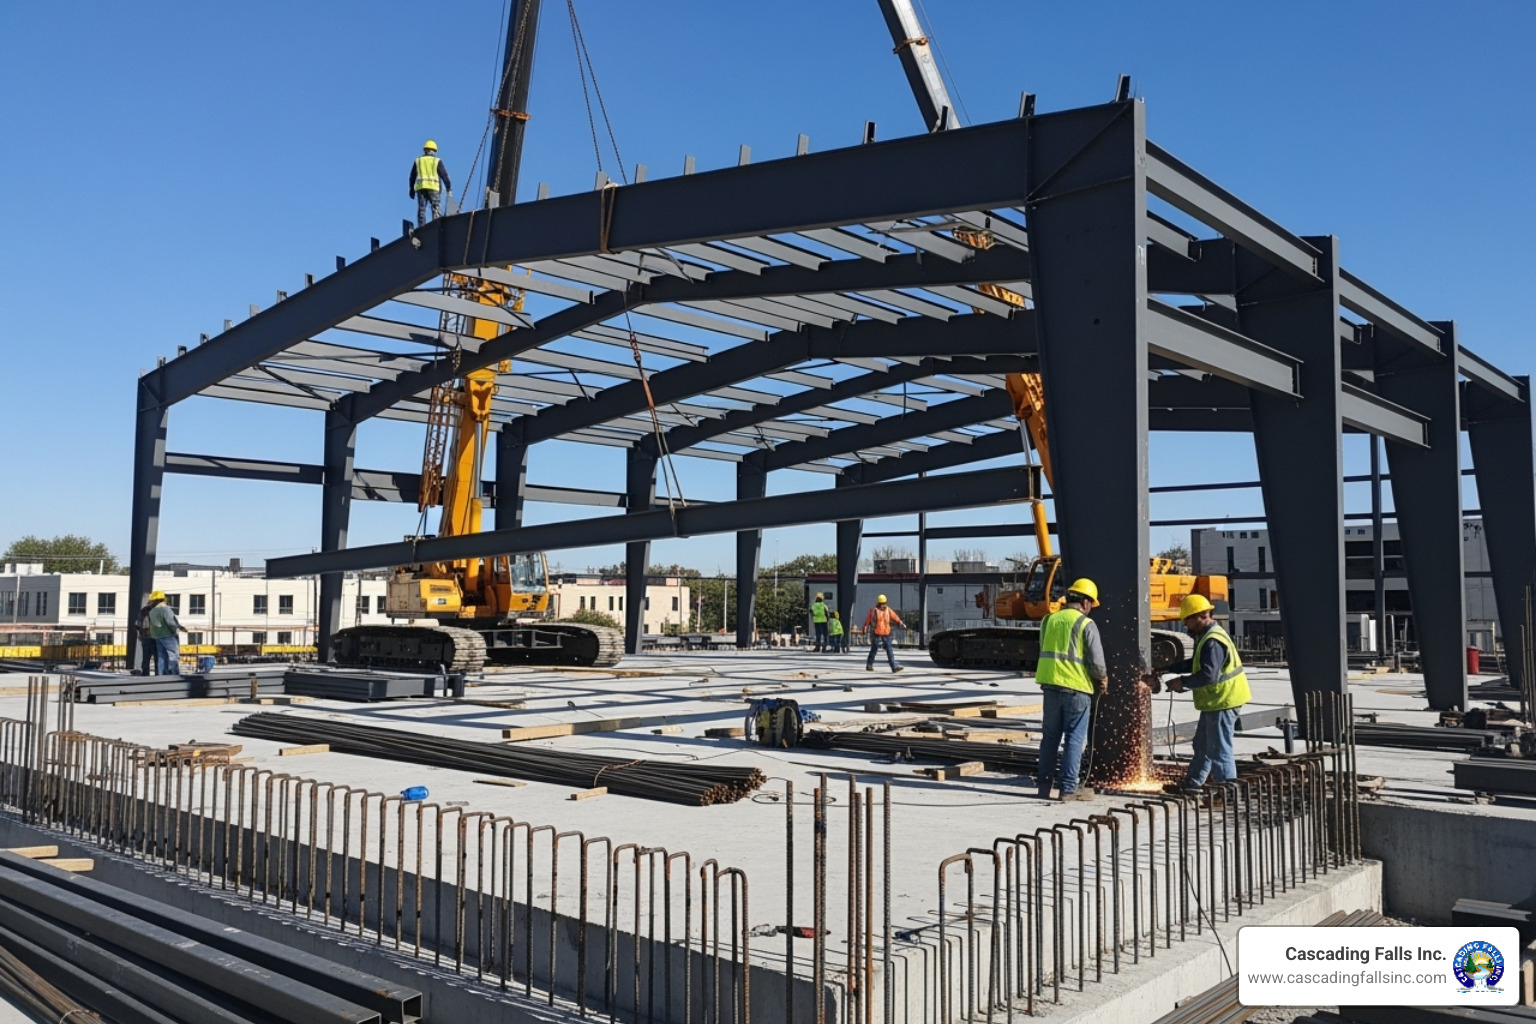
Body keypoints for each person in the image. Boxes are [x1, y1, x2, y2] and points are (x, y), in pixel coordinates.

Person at [1147, 593, 1251, 792]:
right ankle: (1193, 783)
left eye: (1188, 620)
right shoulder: (1207, 637)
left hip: (1224, 700)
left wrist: (1182, 683)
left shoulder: (1212, 641)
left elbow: (1208, 675)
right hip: (1216, 701)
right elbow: (1196, 663)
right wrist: (1168, 668)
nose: (1186, 626)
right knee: (1202, 745)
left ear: (1199, 616)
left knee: (1219, 749)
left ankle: (1227, 790)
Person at [1035, 578, 1107, 802]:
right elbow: (1096, 661)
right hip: (1077, 690)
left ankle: (1044, 787)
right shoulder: (1086, 624)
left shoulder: (1048, 620)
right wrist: (1102, 679)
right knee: (1075, 739)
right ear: (1085, 602)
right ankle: (1068, 789)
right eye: (1091, 605)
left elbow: (1044, 648)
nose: (1090, 610)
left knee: (1050, 738)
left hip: (1050, 686)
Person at [409, 140, 452, 227]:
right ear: (434, 151)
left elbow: (412, 176)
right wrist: (448, 187)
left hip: (421, 188)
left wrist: (411, 190)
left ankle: (422, 226)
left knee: (422, 209)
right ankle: (436, 224)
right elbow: (444, 174)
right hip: (433, 188)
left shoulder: (418, 161)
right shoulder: (436, 161)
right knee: (435, 207)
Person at [145, 591, 184, 676]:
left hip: (158, 637)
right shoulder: (165, 609)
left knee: (161, 657)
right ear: (162, 599)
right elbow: (170, 622)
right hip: (168, 636)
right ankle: (174, 674)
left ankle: (161, 675)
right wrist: (175, 630)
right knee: (173, 655)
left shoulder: (153, 611)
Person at [863, 595, 905, 673]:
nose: (883, 605)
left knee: (889, 650)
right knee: (874, 649)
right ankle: (869, 665)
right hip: (875, 633)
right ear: (878, 603)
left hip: (886, 632)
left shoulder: (888, 610)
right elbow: (867, 621)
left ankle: (894, 667)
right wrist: (865, 628)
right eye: (881, 603)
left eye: (884, 603)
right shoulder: (873, 611)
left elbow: (894, 616)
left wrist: (900, 622)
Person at [135, 600, 156, 675]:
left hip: (146, 637)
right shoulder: (157, 611)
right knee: (157, 658)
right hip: (155, 638)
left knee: (146, 658)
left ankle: (145, 674)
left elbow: (138, 624)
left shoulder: (143, 611)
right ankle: (159, 675)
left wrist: (140, 634)